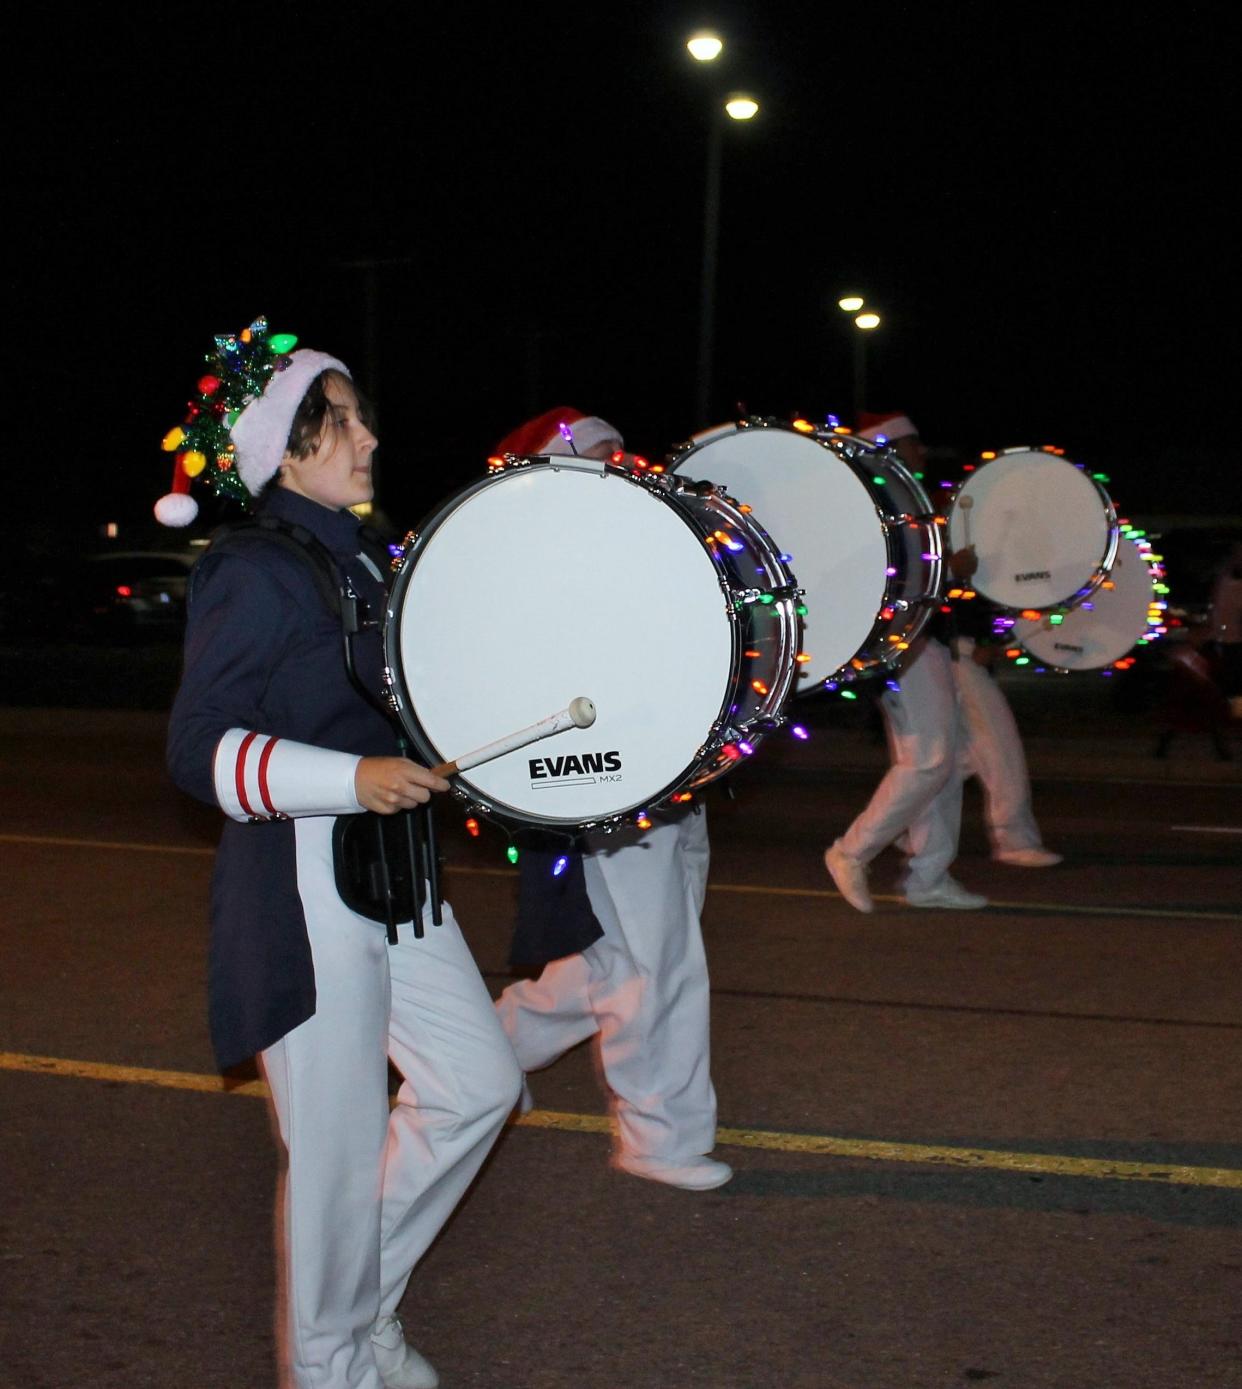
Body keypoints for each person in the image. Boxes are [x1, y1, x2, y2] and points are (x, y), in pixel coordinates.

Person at [159, 318, 521, 1389]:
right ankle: (332, 1365)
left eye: (362, 416)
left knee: (477, 1084)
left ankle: (357, 1315)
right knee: (333, 1157)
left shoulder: (361, 548)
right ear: (284, 444)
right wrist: (348, 778)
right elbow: (195, 748)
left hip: (393, 874)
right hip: (304, 880)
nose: (368, 437)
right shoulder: (255, 567)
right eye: (341, 421)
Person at [489, 406, 732, 1192]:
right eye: (602, 452)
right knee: (652, 963)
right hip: (609, 782)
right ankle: (656, 1137)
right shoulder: (540, 558)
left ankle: (474, 1054)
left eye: (623, 447)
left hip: (670, 776)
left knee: (608, 962)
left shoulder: (636, 544)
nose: (623, 459)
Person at [824, 410, 989, 912]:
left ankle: (927, 874)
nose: (921, 452)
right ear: (891, 450)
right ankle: (852, 851)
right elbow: (890, 581)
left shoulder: (908, 505)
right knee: (929, 759)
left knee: (944, 758)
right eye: (912, 443)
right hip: (899, 652)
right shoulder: (874, 508)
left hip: (923, 643)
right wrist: (951, 572)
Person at [949, 594, 1062, 867]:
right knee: (1001, 750)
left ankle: (910, 823)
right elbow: (951, 603)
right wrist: (973, 643)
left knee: (963, 756)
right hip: (958, 655)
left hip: (957, 653)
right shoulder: (950, 563)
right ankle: (1015, 841)